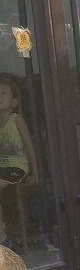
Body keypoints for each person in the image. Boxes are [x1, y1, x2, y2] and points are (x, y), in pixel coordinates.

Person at [0, 76, 38, 250]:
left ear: (14, 102)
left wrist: (34, 173)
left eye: (3, 93)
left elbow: (30, 149)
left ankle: (2, 238)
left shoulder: (17, 120)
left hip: (17, 167)